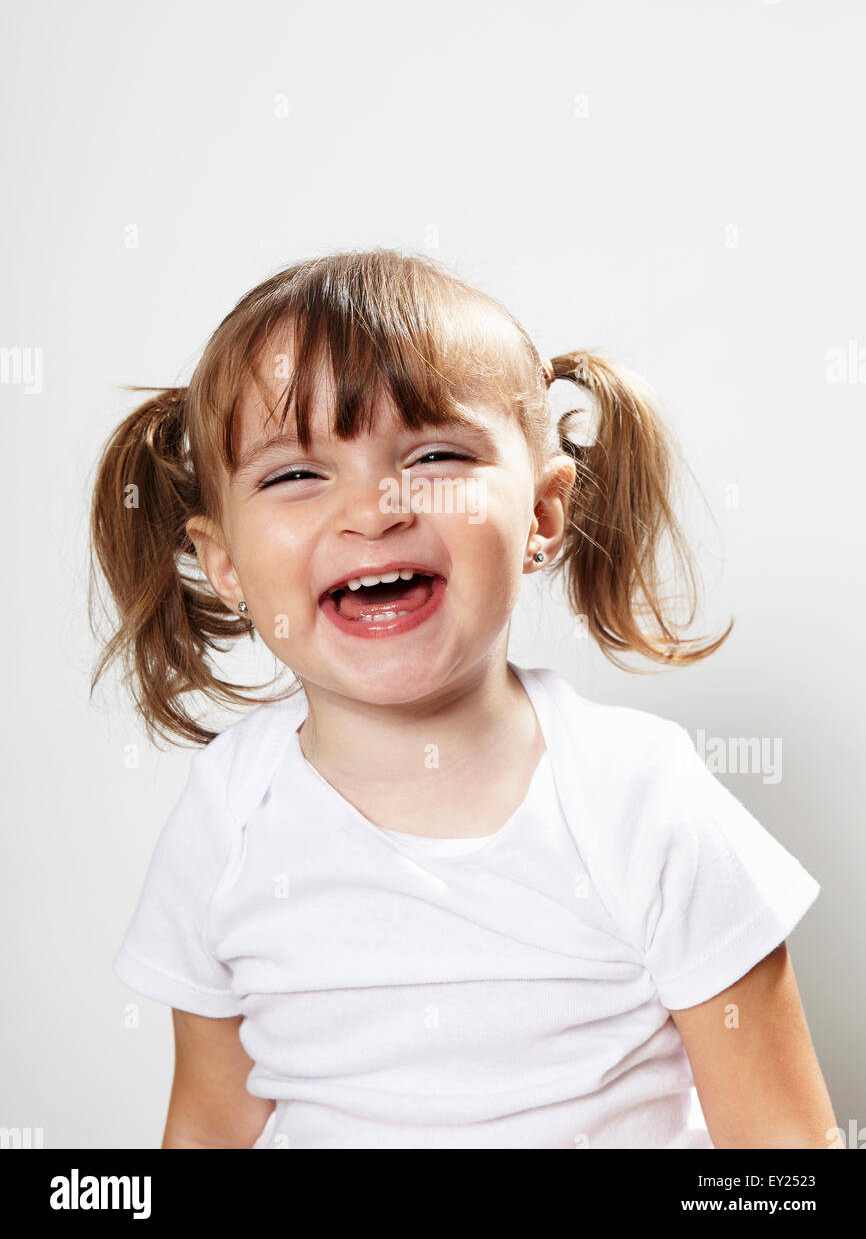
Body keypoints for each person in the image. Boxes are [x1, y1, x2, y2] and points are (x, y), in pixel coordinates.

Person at [89, 248, 835, 1149]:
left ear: (542, 516)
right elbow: (209, 1124)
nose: (375, 511)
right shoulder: (228, 813)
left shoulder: (641, 799)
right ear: (223, 561)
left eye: (436, 455)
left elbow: (785, 1155)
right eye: (295, 474)